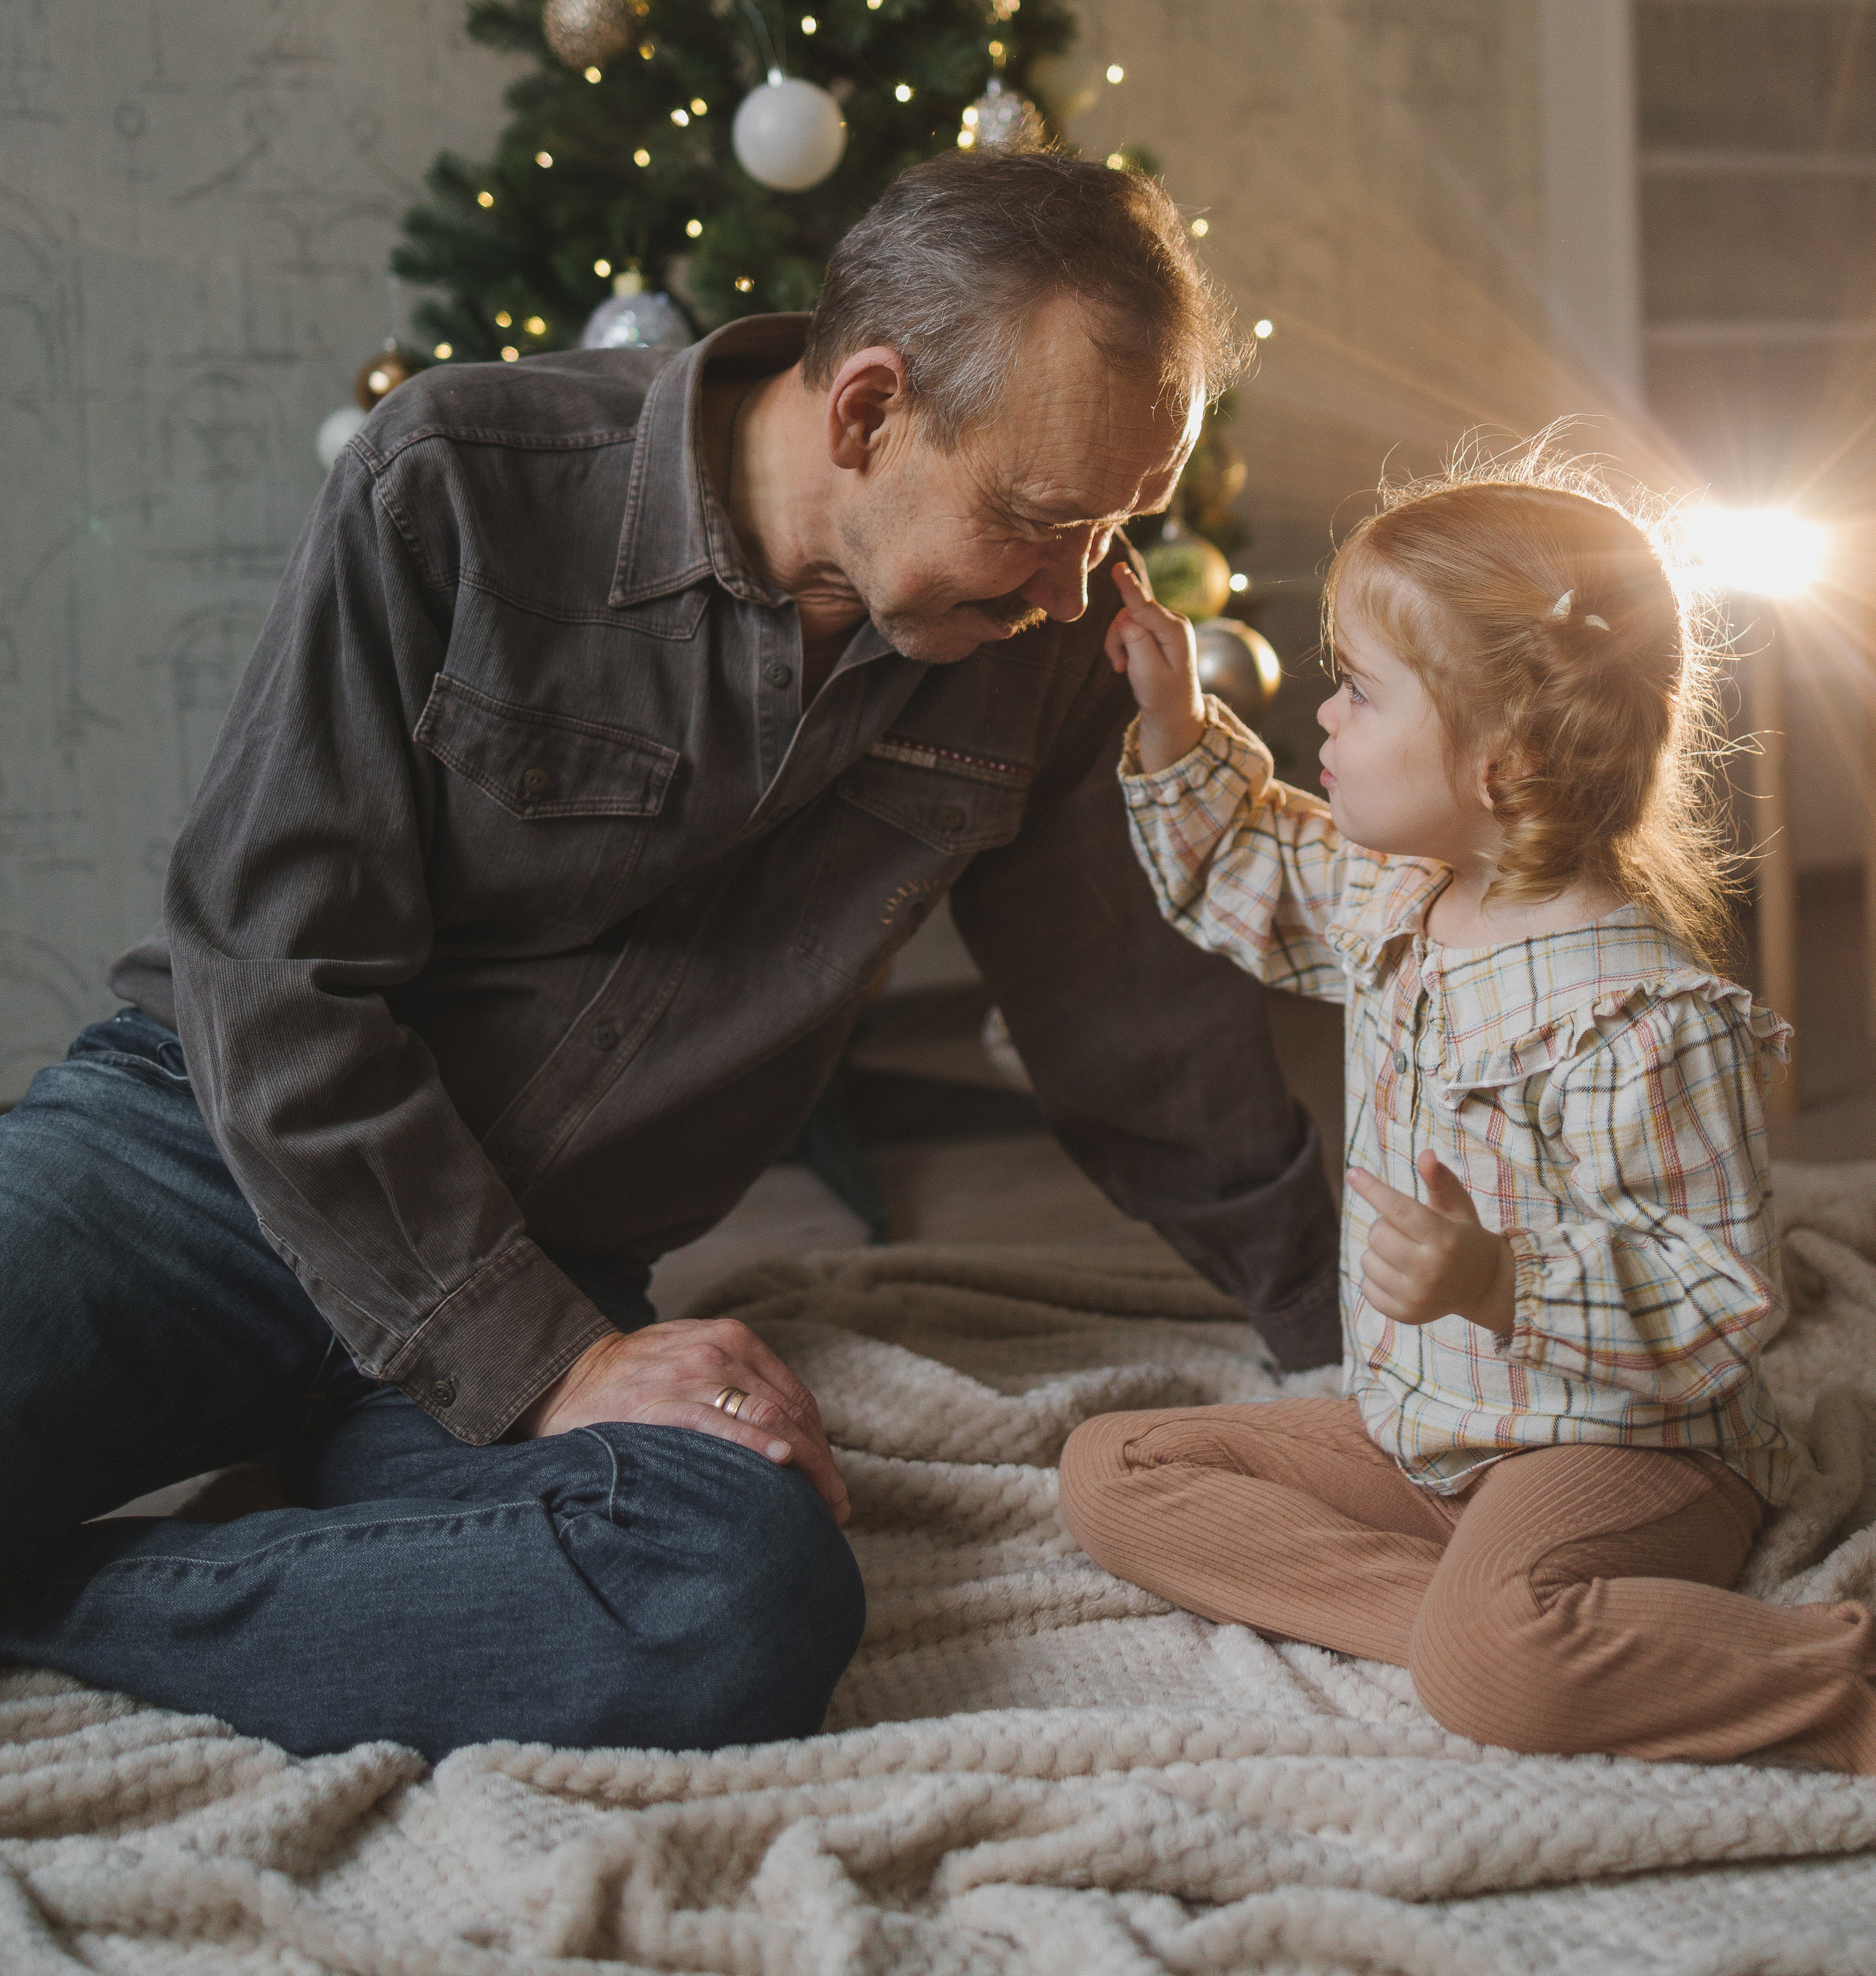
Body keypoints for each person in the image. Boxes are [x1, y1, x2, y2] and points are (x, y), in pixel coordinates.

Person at [0, 150, 1341, 1761]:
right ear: (864, 412)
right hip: (200, 1174)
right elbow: (267, 971)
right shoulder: (457, 479)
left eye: (1121, 522)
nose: (1077, 586)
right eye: (1042, 518)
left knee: (727, 1598)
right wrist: (538, 1355)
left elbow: (1135, 1037)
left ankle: (58, 1606)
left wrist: (1352, 1343)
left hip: (572, 1273)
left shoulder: (1035, 649)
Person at [1061, 461, 1876, 1771]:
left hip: (1621, 1450)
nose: (1323, 715)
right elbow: (1254, 860)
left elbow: (1725, 1294)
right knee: (1115, 1471)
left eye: (1361, 690)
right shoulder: (1401, 895)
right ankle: (1503, 1625)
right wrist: (1172, 717)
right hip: (1431, 1439)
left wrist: (1500, 1280)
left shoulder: (1637, 1012)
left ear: (1502, 763)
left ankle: (1775, 1667)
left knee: (1498, 1671)